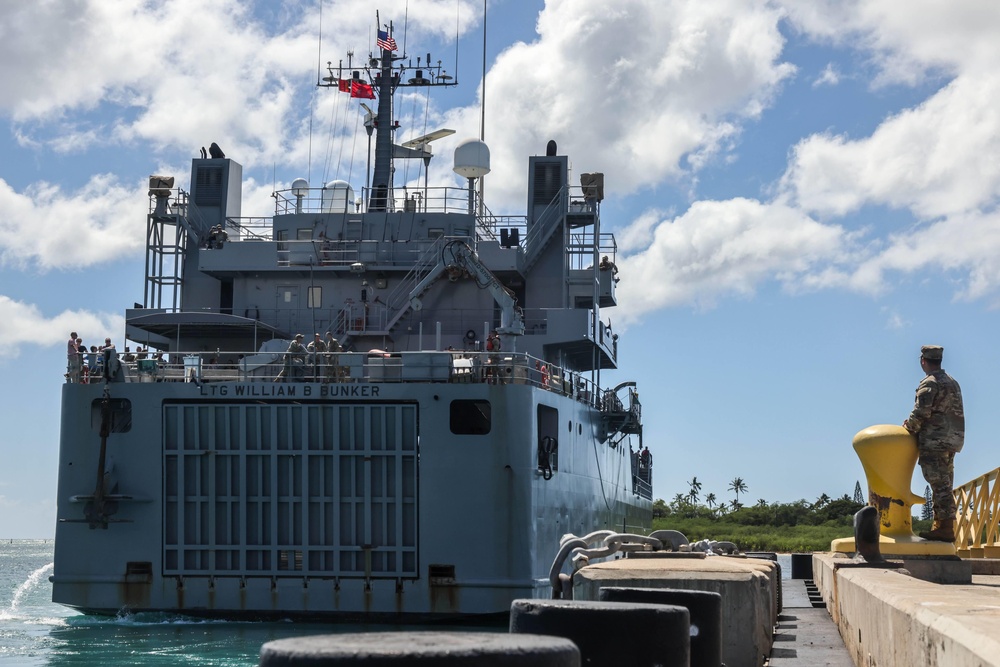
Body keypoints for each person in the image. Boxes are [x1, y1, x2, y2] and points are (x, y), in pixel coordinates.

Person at [903, 345, 965, 542]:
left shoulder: (930, 383)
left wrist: (909, 427)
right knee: (945, 483)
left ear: (923, 361)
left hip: (934, 441)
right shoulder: (952, 382)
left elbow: (921, 412)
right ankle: (941, 525)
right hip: (951, 440)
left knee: (939, 485)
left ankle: (945, 528)